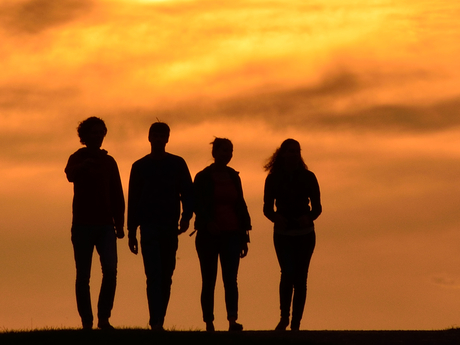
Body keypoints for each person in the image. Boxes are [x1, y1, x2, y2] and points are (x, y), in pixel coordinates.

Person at [127, 122, 193, 331]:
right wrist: (131, 230)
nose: (157, 139)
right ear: (149, 138)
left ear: (167, 139)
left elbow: (188, 193)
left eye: (161, 135)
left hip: (169, 226)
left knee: (166, 275)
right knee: (154, 275)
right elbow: (134, 198)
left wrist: (186, 217)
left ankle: (159, 319)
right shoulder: (139, 167)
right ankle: (155, 321)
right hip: (148, 227)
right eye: (154, 135)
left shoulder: (177, 163)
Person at [65, 117, 125, 330]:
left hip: (106, 226)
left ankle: (103, 318)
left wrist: (120, 224)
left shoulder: (109, 162)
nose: (98, 136)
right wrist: (83, 166)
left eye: (101, 132)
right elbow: (70, 175)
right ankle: (87, 322)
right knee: (83, 276)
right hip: (82, 225)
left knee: (110, 270)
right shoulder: (76, 158)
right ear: (84, 136)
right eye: (94, 132)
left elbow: (117, 193)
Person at [263, 138, 322, 331]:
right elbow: (267, 208)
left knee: (301, 278)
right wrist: (275, 218)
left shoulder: (308, 177)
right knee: (287, 274)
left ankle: (296, 322)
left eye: (297, 151)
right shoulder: (273, 178)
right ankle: (284, 317)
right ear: (282, 154)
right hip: (283, 234)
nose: (294, 154)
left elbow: (317, 208)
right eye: (290, 151)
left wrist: (309, 217)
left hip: (305, 234)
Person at [193, 138, 251, 332]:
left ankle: (232, 320)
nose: (228, 154)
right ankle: (209, 322)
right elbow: (197, 205)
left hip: (232, 234)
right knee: (209, 279)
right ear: (215, 152)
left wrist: (244, 236)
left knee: (230, 280)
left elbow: (240, 204)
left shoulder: (234, 176)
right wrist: (208, 223)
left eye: (230, 151)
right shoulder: (203, 177)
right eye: (224, 150)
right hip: (208, 236)